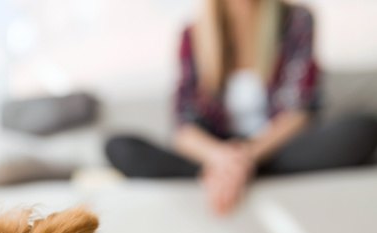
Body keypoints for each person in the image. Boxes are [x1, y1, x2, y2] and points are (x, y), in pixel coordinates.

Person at [105, 0, 377, 216]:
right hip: (216, 152)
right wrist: (221, 159)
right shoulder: (194, 34)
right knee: (119, 146)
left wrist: (245, 157)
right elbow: (184, 128)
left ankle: (226, 177)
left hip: (275, 150)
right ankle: (222, 174)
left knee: (362, 128)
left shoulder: (296, 20)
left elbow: (299, 112)